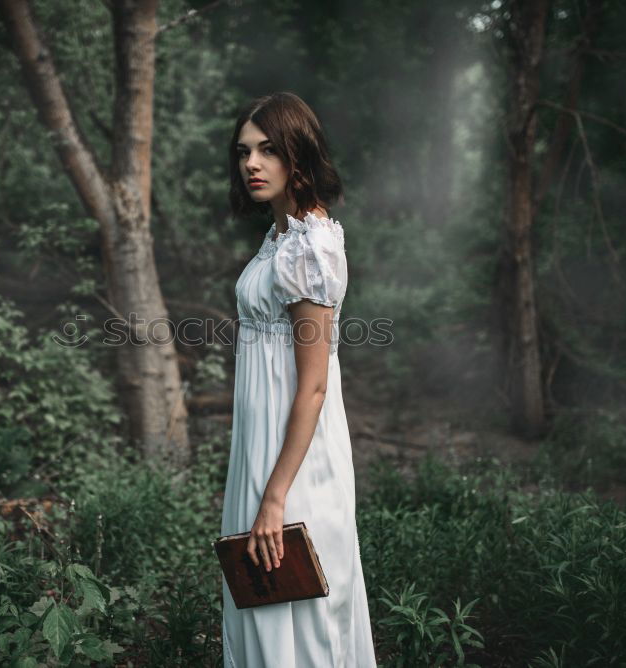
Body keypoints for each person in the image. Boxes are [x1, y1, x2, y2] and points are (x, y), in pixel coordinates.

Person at [219, 91, 378, 667]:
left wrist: (276, 496)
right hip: (261, 451)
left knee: (299, 605)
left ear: (297, 155)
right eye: (243, 152)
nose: (252, 164)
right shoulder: (280, 235)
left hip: (297, 463)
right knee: (260, 599)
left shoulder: (311, 244)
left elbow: (313, 384)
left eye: (267, 150)